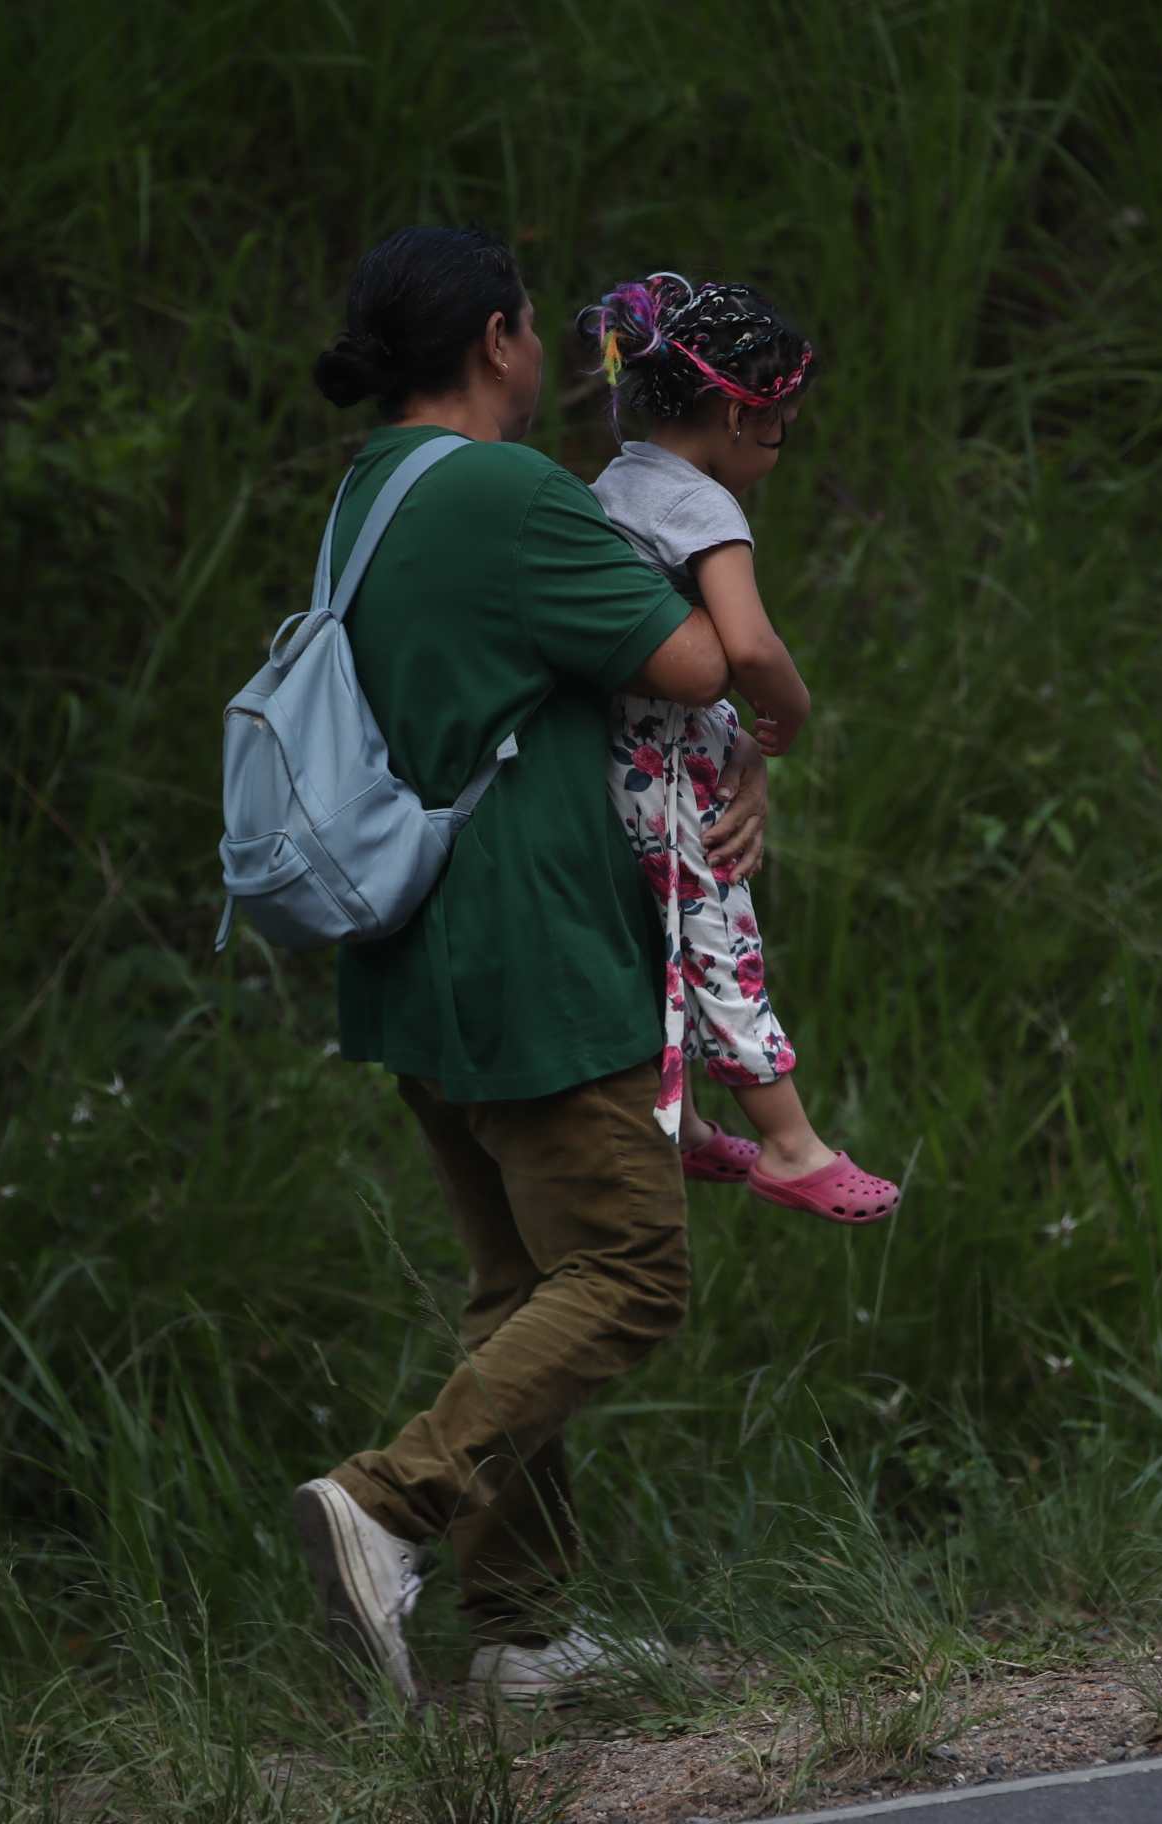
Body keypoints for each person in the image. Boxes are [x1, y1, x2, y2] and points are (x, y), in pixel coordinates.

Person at [284, 226, 765, 1704]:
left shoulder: (370, 490)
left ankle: (521, 1637)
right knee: (627, 1272)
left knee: (521, 1283)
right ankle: (385, 1503)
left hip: (416, 949)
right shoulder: (502, 490)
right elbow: (697, 665)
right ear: (497, 340)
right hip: (532, 942)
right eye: (533, 329)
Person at [584, 272, 899, 1225]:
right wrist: (791, 713)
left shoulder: (618, 481)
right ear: (732, 413)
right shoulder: (702, 508)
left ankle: (672, 1121)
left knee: (656, 937)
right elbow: (751, 646)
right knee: (717, 930)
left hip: (624, 747)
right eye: (779, 425)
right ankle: (791, 1145)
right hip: (661, 762)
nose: (777, 449)